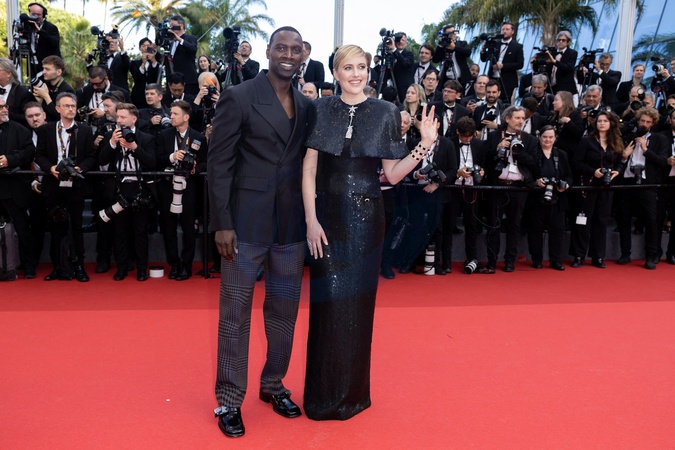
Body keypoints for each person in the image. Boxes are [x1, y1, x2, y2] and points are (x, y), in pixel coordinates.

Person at [302, 44, 437, 420]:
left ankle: (352, 396)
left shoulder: (385, 112)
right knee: (327, 306)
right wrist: (311, 220)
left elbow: (392, 174)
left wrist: (424, 146)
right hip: (326, 219)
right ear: (335, 72)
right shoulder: (320, 109)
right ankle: (322, 394)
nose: (356, 74)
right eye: (348, 67)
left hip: (365, 220)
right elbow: (309, 169)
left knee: (357, 308)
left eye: (362, 67)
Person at [208, 26, 312, 438]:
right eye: (281, 47)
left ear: (304, 55)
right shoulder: (239, 96)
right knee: (234, 317)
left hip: (290, 227)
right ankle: (229, 400)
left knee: (284, 313)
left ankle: (273, 384)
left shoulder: (307, 105)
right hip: (244, 225)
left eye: (295, 49)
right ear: (268, 51)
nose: (288, 55)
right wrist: (222, 223)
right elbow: (219, 164)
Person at [35, 92, 95, 281]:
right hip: (53, 184)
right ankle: (58, 267)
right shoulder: (46, 130)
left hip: (75, 184)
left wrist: (80, 168)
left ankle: (79, 267)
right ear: (57, 109)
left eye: (73, 106)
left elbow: (91, 157)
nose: (71, 109)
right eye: (67, 106)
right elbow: (39, 155)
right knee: (56, 226)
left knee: (76, 226)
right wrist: (50, 168)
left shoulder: (85, 130)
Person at [98, 103, 157, 281]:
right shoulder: (110, 136)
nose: (119, 120)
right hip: (118, 188)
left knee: (140, 232)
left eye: (123, 117)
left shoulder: (146, 138)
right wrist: (112, 143)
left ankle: (141, 269)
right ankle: (121, 268)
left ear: (133, 119)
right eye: (118, 117)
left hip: (140, 188)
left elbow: (152, 163)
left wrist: (135, 148)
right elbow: (101, 160)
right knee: (119, 231)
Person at [157, 100, 208, 280]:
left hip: (189, 187)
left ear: (186, 117)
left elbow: (205, 162)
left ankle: (187, 265)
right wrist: (172, 156)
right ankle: (174, 264)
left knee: (189, 228)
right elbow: (156, 160)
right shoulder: (163, 135)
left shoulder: (198, 137)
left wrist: (194, 169)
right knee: (168, 227)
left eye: (175, 114)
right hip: (167, 185)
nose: (171, 116)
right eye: (171, 113)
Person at [569, 111, 625, 268]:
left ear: (611, 123)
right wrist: (593, 171)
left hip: (606, 187)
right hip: (588, 186)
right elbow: (577, 163)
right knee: (583, 221)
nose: (601, 123)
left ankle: (598, 256)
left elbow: (620, 163)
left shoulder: (616, 142)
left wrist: (617, 171)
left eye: (605, 121)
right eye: (599, 121)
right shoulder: (587, 141)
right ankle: (579, 255)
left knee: (601, 221)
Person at [615, 107, 668, 269]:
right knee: (624, 219)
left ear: (653, 124)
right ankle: (625, 254)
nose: (644, 124)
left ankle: (651, 256)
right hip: (627, 182)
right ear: (637, 121)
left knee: (651, 220)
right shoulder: (628, 137)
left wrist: (646, 150)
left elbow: (662, 161)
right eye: (642, 121)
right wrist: (624, 156)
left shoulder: (659, 139)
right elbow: (617, 158)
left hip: (647, 184)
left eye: (648, 122)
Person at [527, 125, 573, 270]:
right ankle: (537, 259)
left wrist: (565, 185)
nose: (548, 140)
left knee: (557, 230)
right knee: (535, 231)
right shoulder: (533, 154)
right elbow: (526, 176)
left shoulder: (561, 155)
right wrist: (536, 182)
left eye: (551, 137)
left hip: (557, 199)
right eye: (545, 137)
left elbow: (569, 176)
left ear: (555, 138)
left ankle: (556, 260)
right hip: (536, 198)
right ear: (539, 137)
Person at [0, 98, 37, 279]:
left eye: (5, 106)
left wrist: (10, 160)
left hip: (14, 189)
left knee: (22, 228)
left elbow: (30, 152)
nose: (4, 110)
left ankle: (28, 266)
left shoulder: (20, 130)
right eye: (0, 107)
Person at [481, 22, 523, 103]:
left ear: (512, 31)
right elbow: (484, 59)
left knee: (505, 102)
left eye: (507, 29)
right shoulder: (495, 44)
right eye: (503, 29)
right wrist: (483, 51)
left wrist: (503, 66)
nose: (504, 31)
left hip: (507, 81)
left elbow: (520, 64)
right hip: (493, 78)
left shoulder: (517, 46)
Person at [31, 55, 75, 122]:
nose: (43, 72)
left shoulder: (67, 90)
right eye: (43, 69)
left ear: (59, 72)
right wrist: (40, 102)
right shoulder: (45, 85)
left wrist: (46, 97)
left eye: (47, 69)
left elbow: (60, 117)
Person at [165, 15, 198, 95]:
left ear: (181, 26)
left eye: (173, 25)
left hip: (188, 81)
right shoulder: (171, 44)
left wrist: (180, 40)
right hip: (174, 82)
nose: (171, 28)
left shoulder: (190, 38)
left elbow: (193, 49)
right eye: (170, 26)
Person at [26, 3, 61, 76]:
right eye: (33, 14)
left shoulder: (51, 27)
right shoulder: (27, 27)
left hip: (48, 67)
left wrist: (40, 31)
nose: (35, 17)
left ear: (43, 15)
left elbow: (54, 42)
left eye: (38, 15)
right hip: (32, 65)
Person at [130, 38, 161, 108]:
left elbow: (157, 76)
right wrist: (143, 64)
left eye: (148, 45)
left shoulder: (156, 63)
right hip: (138, 96)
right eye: (143, 46)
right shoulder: (134, 63)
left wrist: (153, 61)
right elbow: (137, 77)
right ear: (140, 48)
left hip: (154, 95)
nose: (146, 48)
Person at [546, 31, 578, 98]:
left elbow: (568, 68)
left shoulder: (572, 53)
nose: (560, 42)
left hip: (565, 88)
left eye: (563, 40)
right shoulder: (552, 52)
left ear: (568, 42)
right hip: (550, 87)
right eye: (559, 40)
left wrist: (555, 62)